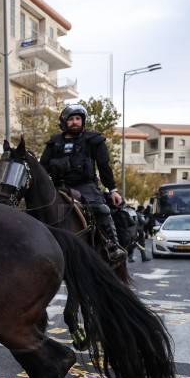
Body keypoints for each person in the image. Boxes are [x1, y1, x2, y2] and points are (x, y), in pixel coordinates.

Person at [39, 104, 126, 262]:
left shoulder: (93, 140)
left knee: (101, 208)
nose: (75, 122)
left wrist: (113, 189)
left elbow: (104, 166)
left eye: (78, 119)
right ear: (64, 122)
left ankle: (112, 245)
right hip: (58, 185)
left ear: (83, 121)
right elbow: (43, 166)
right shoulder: (54, 142)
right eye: (71, 119)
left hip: (85, 186)